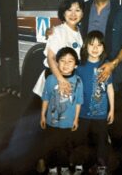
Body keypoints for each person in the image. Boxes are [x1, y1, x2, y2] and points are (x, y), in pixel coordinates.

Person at [80, 0, 122, 141]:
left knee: (117, 122)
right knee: (89, 121)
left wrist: (113, 64)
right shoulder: (84, 9)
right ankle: (92, 162)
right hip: (87, 73)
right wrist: (53, 30)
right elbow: (69, 22)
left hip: (113, 74)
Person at [73, 30, 114, 175]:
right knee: (80, 140)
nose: (95, 48)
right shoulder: (80, 68)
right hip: (83, 113)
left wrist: (112, 110)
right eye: (91, 45)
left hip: (101, 114)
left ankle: (102, 166)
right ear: (85, 47)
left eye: (99, 45)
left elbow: (110, 89)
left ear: (103, 48)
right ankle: (78, 165)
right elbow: (75, 90)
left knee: (101, 142)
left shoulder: (106, 67)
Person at [40, 47, 83, 175]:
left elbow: (79, 101)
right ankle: (52, 168)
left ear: (75, 65)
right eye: (62, 61)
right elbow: (46, 98)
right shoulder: (51, 79)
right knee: (52, 145)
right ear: (57, 63)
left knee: (65, 146)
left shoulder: (78, 81)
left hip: (68, 122)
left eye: (70, 61)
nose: (65, 64)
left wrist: (76, 119)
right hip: (51, 121)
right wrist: (42, 115)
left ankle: (64, 168)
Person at [33, 0, 85, 97]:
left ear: (82, 14)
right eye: (69, 10)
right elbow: (51, 58)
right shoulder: (57, 31)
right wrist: (61, 80)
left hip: (69, 78)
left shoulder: (80, 33)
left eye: (77, 10)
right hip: (56, 78)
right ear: (63, 13)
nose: (73, 14)